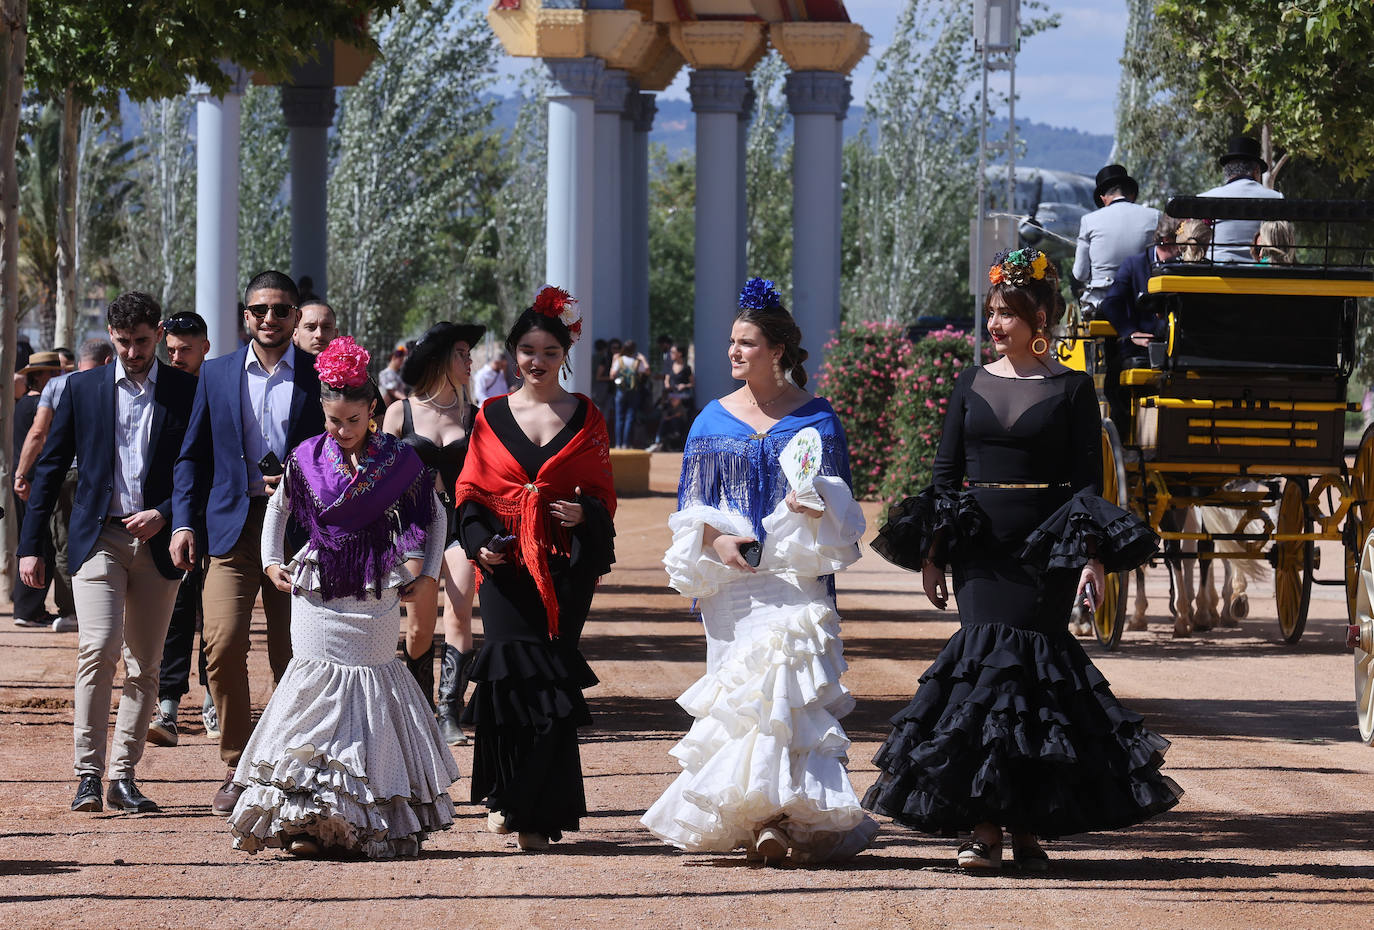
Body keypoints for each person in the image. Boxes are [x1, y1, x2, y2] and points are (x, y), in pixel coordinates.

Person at [862, 248, 1181, 871]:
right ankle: (983, 826)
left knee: (1035, 680)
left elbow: (1087, 485)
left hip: (1047, 547)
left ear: (1040, 320)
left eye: (1007, 313)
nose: (995, 325)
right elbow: (946, 474)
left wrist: (1090, 556)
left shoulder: (1072, 388)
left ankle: (1028, 826)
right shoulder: (969, 383)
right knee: (986, 674)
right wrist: (933, 551)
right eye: (991, 313)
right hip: (980, 546)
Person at [642, 278, 876, 866]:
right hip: (734, 586)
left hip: (796, 577)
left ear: (777, 351)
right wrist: (717, 541)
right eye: (732, 343)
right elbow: (688, 507)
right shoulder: (709, 422)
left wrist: (815, 503)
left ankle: (782, 816)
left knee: (790, 694)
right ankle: (759, 817)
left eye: (746, 343)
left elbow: (843, 504)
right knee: (745, 700)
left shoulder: (820, 419)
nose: (734, 352)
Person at [225, 336, 457, 858]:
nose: (343, 430)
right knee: (309, 688)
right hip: (316, 590)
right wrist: (269, 561)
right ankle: (304, 819)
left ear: (372, 410)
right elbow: (278, 511)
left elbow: (436, 515)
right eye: (334, 420)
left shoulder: (399, 462)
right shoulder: (306, 457)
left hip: (375, 590)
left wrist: (431, 573)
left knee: (368, 692)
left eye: (353, 419)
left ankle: (362, 816)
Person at [18, 292, 198, 813]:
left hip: (159, 540)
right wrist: (31, 547)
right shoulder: (82, 388)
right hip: (99, 535)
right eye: (123, 343)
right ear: (112, 337)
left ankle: (123, 774)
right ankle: (88, 774)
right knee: (97, 646)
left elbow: (198, 469)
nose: (133, 352)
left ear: (158, 333)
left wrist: (165, 512)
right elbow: (50, 469)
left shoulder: (187, 391)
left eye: (142, 342)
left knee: (145, 662)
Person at [453, 285, 616, 853]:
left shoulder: (588, 416)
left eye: (549, 351)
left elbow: (604, 496)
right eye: (527, 349)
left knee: (551, 684)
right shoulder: (489, 416)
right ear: (513, 353)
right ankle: (510, 799)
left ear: (564, 352)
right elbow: (470, 495)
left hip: (564, 572)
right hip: (505, 573)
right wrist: (479, 546)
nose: (537, 361)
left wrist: (584, 514)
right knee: (508, 683)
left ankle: (538, 809)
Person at [171, 270, 325, 815]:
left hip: (301, 534)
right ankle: (238, 763)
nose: (269, 319)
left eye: (281, 310)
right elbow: (190, 456)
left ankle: (289, 763)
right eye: (260, 309)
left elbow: (347, 446)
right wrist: (183, 523)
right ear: (245, 315)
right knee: (222, 640)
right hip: (230, 530)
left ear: (296, 316)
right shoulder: (214, 376)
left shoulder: (318, 376)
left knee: (295, 656)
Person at [382, 320, 485, 745]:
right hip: (413, 528)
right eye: (462, 354)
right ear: (442, 361)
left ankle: (448, 711)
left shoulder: (475, 416)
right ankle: (421, 705)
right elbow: (377, 474)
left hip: (460, 524)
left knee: (460, 612)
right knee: (419, 624)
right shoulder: (399, 411)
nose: (470, 361)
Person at [13, 341, 114, 631]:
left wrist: (21, 472)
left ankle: (73, 610)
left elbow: (38, 431)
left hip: (66, 474)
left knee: (64, 543)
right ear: (107, 360)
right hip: (101, 475)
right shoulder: (116, 381)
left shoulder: (56, 386)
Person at [148, 311, 214, 747]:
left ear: (204, 347)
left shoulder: (220, 386)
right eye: (169, 349)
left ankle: (215, 700)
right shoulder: (159, 393)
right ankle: (168, 704)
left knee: (215, 616)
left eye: (185, 350)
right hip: (169, 519)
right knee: (175, 612)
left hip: (215, 517)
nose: (176, 357)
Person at [10, 351, 65, 628]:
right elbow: (38, 439)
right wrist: (25, 475)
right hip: (33, 481)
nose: (57, 379)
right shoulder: (39, 409)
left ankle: (26, 606)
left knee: (29, 541)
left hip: (23, 478)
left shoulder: (21, 404)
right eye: (53, 374)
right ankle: (31, 610)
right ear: (40, 376)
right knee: (39, 545)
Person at [1072, 164, 1160, 315]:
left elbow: (1080, 273)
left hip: (1102, 303)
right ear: (1131, 194)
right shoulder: (1155, 216)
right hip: (1144, 302)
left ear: (1103, 198)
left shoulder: (1089, 220)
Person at [1099, 213, 1181, 368]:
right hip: (1142, 347)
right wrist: (1132, 333)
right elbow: (1111, 303)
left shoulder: (1187, 266)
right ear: (1166, 240)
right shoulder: (1134, 265)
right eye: (1182, 242)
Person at [1197, 135, 1284, 262]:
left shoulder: (1204, 198)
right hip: (1259, 273)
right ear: (1256, 171)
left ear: (1226, 172)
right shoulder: (1276, 198)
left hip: (1215, 271)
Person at [646, 343, 695, 453]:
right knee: (664, 420)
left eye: (673, 352)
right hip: (671, 398)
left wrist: (684, 385)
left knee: (679, 422)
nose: (671, 354)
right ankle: (659, 442)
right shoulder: (670, 366)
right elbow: (666, 380)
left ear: (680, 353)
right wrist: (667, 385)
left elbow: (692, 383)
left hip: (682, 400)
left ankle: (678, 444)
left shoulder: (687, 368)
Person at [609, 339, 649, 448]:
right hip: (633, 391)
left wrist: (614, 361)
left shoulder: (620, 360)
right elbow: (647, 370)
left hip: (620, 391)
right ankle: (626, 443)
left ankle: (618, 443)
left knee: (619, 417)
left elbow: (612, 375)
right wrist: (643, 359)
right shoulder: (636, 362)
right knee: (630, 417)